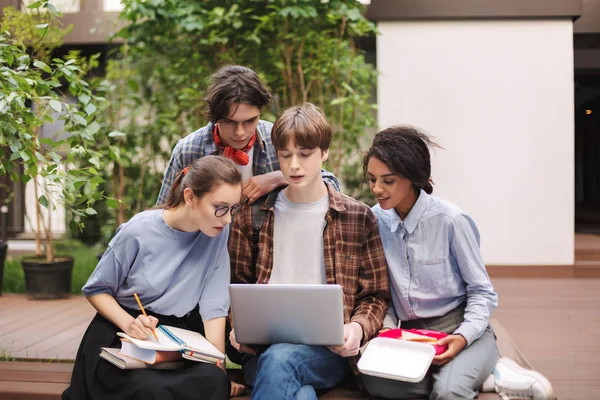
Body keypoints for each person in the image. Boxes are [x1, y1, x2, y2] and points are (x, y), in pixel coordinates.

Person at [362, 126, 557, 400]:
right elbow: (384, 292)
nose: (377, 189)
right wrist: (388, 329)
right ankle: (487, 377)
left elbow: (482, 293)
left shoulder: (451, 221)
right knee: (376, 383)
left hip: (458, 327)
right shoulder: (375, 220)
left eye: (388, 180)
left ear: (412, 177)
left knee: (449, 392)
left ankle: (475, 370)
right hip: (410, 335)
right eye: (372, 179)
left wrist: (464, 336)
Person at [227, 103, 390, 400]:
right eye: (285, 155)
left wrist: (357, 328)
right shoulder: (250, 216)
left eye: (305, 154)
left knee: (281, 361)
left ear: (324, 153)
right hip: (261, 351)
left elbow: (375, 295)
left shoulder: (357, 217)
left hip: (328, 353)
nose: (293, 166)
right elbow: (233, 286)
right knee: (297, 390)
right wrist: (236, 325)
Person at [63, 156, 246, 400]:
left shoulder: (217, 233)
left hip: (177, 339)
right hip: (123, 332)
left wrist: (220, 369)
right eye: (220, 207)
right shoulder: (137, 231)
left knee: (212, 380)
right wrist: (130, 324)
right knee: (151, 389)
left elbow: (214, 308)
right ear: (190, 197)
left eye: (233, 208)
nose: (228, 218)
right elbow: (97, 289)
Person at [157, 65, 340, 206]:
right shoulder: (190, 149)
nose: (240, 132)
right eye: (229, 122)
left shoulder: (276, 138)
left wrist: (279, 177)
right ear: (215, 118)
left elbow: (332, 186)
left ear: (260, 112)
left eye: (249, 121)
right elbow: (166, 210)